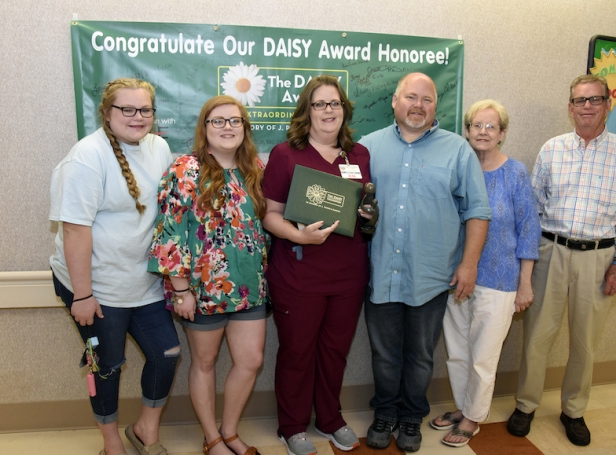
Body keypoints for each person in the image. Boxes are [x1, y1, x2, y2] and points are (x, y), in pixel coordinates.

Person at [506, 74, 616, 446]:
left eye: (594, 99)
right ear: (570, 107)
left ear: (607, 105)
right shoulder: (552, 149)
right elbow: (532, 211)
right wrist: (528, 261)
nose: (586, 106)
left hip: (599, 258)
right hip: (551, 251)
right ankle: (526, 405)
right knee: (537, 335)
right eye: (579, 100)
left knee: (585, 341)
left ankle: (574, 410)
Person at [359, 72, 491, 452]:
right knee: (383, 354)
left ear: (437, 106)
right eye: (411, 97)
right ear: (394, 101)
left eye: (427, 99)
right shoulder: (368, 148)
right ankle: (384, 413)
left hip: (432, 275)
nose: (418, 105)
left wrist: (469, 265)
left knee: (420, 355)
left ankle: (411, 418)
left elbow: (478, 212)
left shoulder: (458, 150)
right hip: (379, 272)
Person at [49, 78, 180, 455]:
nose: (137, 117)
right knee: (106, 364)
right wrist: (83, 294)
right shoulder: (86, 156)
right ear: (106, 113)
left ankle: (145, 431)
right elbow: (75, 231)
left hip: (143, 281)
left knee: (167, 354)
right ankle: (111, 443)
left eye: (145, 110)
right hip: (95, 285)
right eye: (127, 109)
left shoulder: (159, 147)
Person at [148, 95, 268, 455]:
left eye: (235, 121)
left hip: (249, 287)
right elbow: (169, 230)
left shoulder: (255, 170)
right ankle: (211, 437)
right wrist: (181, 290)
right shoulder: (185, 169)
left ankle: (229, 432)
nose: (227, 127)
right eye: (218, 121)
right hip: (202, 289)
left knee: (251, 361)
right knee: (204, 362)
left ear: (245, 129)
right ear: (204, 128)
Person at [262, 75, 373, 455]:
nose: (329, 111)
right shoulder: (285, 155)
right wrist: (299, 237)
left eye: (335, 103)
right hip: (298, 273)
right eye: (320, 104)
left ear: (345, 110)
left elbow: (363, 209)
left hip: (348, 274)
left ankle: (330, 418)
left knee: (335, 351)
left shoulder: (358, 156)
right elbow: (270, 215)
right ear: (306, 112)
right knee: (297, 351)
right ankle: (291, 425)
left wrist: (368, 212)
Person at [429, 100, 541, 448]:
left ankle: (474, 418)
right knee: (458, 353)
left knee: (483, 357)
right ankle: (463, 407)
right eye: (477, 125)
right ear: (466, 131)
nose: (483, 132)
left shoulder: (516, 173)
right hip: (457, 279)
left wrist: (525, 284)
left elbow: (529, 229)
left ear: (502, 134)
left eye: (491, 127)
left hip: (501, 280)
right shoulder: (456, 170)